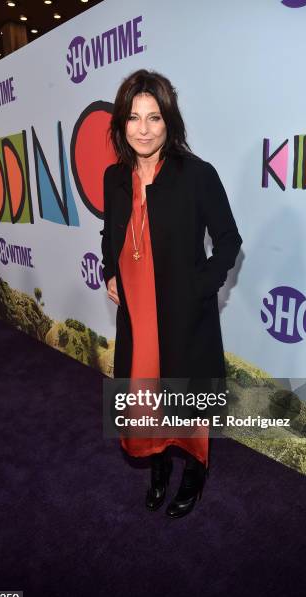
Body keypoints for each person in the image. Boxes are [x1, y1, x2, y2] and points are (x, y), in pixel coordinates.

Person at [100, 69, 242, 518]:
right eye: (134, 118)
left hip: (183, 314)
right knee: (145, 397)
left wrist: (202, 288)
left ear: (169, 122)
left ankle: (194, 473)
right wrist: (109, 272)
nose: (144, 129)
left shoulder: (197, 175)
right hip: (136, 315)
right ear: (122, 124)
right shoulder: (113, 177)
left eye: (154, 118)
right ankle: (157, 466)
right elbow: (111, 234)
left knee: (184, 399)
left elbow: (228, 241)